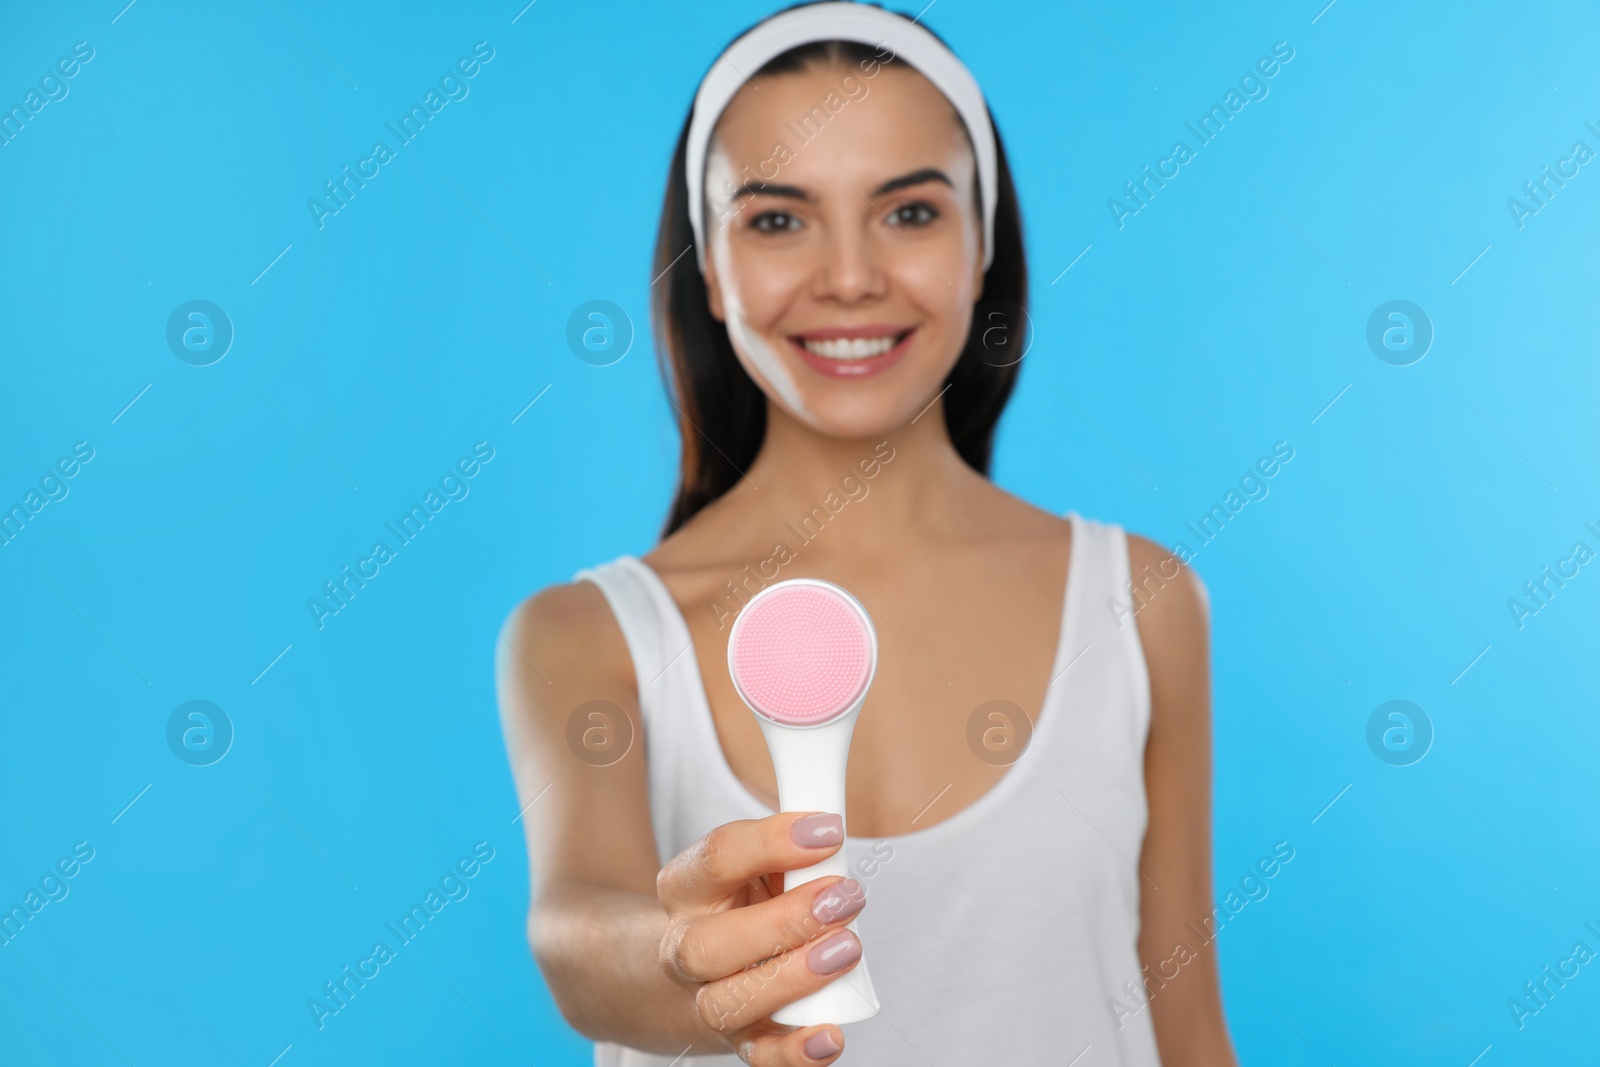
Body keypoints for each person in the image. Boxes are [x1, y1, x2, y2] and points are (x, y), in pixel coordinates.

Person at [497, 3, 1238, 1063]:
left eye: (909, 213)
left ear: (982, 243)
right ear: (708, 267)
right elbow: (574, 933)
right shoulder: (584, 636)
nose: (849, 277)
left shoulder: (1139, 602)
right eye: (777, 219)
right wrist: (688, 956)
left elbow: (1188, 1027)